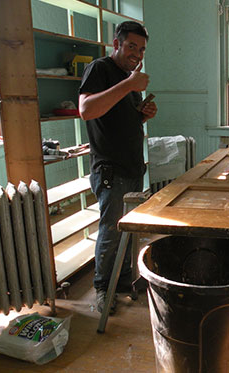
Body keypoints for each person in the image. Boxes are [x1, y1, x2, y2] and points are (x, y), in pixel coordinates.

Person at [78, 21, 157, 314]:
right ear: (116, 44)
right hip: (110, 169)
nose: (137, 53)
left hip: (133, 167)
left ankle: (123, 282)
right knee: (111, 232)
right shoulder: (101, 69)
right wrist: (129, 85)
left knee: (128, 231)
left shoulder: (128, 77)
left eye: (142, 49)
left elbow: (118, 118)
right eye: (132, 46)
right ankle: (102, 289)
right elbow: (87, 110)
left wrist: (142, 114)